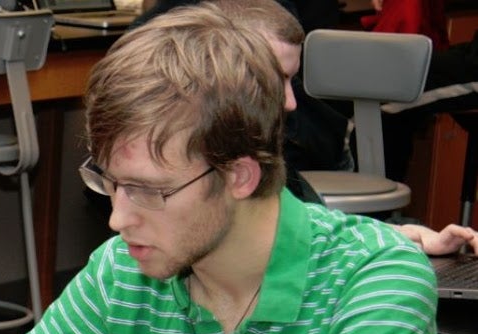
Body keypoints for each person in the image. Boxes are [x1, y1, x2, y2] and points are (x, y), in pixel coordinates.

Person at [0, 4, 437, 334]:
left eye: (149, 190)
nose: (117, 220)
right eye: (111, 182)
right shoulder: (120, 272)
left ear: (239, 176)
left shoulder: (373, 281)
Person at [137, 0, 478, 254]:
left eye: (292, 81)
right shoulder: (167, 178)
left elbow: (308, 225)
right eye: (278, 80)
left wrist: (405, 236)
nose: (290, 102)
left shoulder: (260, 161)